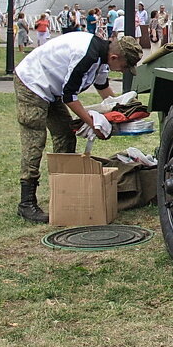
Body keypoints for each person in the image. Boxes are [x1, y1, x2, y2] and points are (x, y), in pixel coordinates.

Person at [12, 32, 143, 223]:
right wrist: (93, 124)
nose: (123, 71)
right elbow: (69, 97)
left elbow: (103, 88)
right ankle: (26, 202)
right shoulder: (87, 56)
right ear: (114, 57)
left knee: (65, 135)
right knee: (35, 140)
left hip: (52, 89)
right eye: (124, 67)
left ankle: (64, 190)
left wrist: (121, 111)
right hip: (32, 83)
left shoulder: (103, 57)